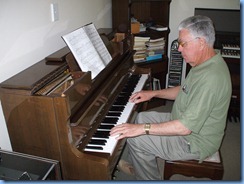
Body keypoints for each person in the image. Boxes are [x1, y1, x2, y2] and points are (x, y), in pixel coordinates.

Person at [110, 15, 232, 180]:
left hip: (193, 141)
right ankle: (138, 163)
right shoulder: (206, 61)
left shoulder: (211, 78)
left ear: (201, 43)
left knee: (137, 137)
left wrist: (141, 130)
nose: (179, 49)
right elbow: (184, 90)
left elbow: (184, 128)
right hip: (183, 118)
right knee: (139, 117)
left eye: (183, 44)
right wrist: (153, 93)